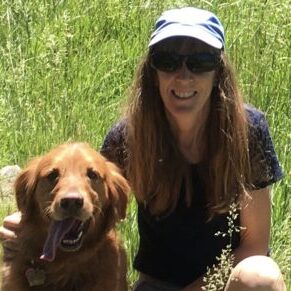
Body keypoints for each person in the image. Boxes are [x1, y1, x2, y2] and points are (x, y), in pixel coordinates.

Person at [0, 6, 287, 291]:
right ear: (153, 71)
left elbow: (254, 245)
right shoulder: (128, 137)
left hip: (230, 281)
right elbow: (89, 195)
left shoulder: (248, 130)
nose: (183, 75)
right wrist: (24, 220)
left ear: (219, 71)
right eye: (168, 60)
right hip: (158, 284)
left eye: (200, 61)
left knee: (259, 276)